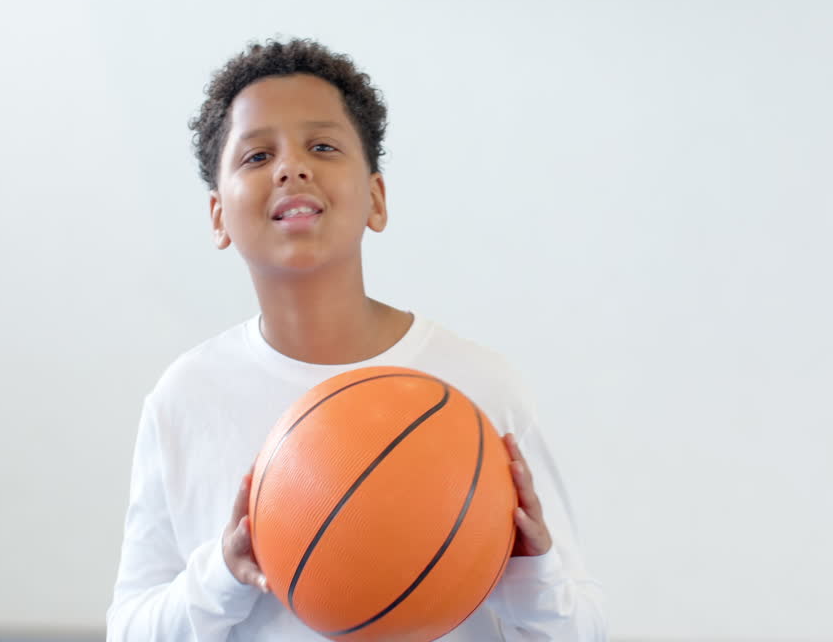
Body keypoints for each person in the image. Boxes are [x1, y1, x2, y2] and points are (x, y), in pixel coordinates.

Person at [107, 38, 607, 641]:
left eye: (322, 146)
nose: (292, 166)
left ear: (375, 197)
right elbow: (130, 631)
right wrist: (225, 573)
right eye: (257, 155)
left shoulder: (479, 387)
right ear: (218, 216)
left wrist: (535, 574)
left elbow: (584, 632)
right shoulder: (186, 397)